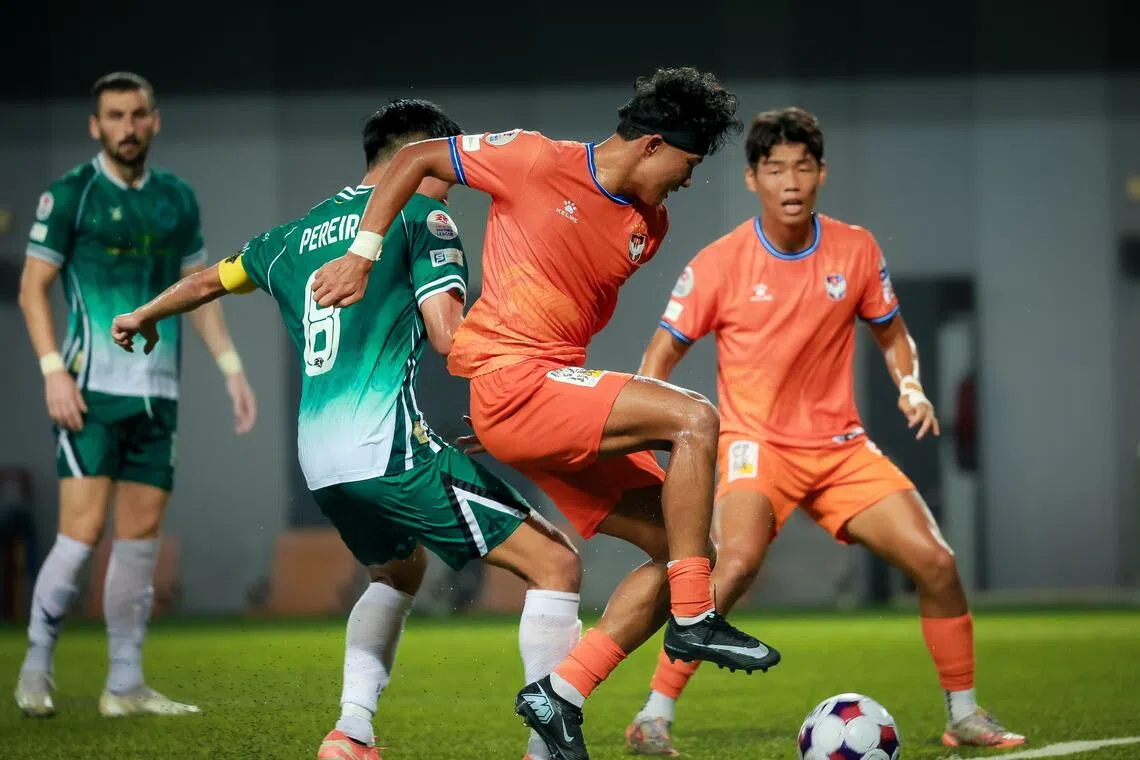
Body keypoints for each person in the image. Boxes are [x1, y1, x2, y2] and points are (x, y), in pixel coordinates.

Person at [309, 68, 780, 760]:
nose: (689, 179)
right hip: (517, 388)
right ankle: (694, 621)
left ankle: (562, 692)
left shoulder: (648, 227)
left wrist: (534, 422)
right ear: (653, 145)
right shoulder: (532, 157)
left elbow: (553, 317)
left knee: (689, 552)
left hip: (541, 400)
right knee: (695, 418)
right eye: (689, 161)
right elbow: (414, 159)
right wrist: (363, 252)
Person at [110, 99, 583, 760]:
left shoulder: (290, 237)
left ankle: (351, 732)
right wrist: (535, 361)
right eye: (449, 163)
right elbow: (451, 338)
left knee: (397, 575)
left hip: (323, 463)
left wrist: (144, 314)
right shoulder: (424, 215)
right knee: (555, 561)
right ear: (412, 157)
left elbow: (210, 279)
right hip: (388, 450)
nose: (459, 177)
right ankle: (548, 751)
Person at [624, 107, 1025, 755]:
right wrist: (654, 423)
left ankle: (965, 715)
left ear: (821, 174)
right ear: (753, 178)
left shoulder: (856, 249)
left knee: (938, 563)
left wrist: (911, 383)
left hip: (840, 450)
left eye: (803, 166)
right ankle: (653, 715)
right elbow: (659, 356)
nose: (791, 180)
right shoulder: (720, 263)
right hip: (756, 445)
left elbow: (892, 334)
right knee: (737, 563)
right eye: (775, 167)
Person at [15, 71, 256, 719]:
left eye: (137, 114)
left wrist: (231, 367)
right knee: (83, 531)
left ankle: (124, 685)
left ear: (156, 120)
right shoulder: (70, 195)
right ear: (96, 126)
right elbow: (32, 287)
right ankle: (36, 665)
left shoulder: (177, 198)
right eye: (114, 116)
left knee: (141, 536)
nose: (127, 127)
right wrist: (51, 371)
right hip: (88, 391)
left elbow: (198, 293)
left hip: (157, 395)